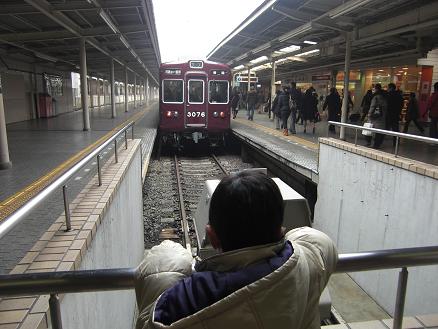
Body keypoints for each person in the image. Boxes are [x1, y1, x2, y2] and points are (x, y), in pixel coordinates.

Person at [135, 171, 338, 329]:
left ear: (212, 237)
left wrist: (163, 268)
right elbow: (316, 239)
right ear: (281, 230)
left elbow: (148, 321)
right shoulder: (307, 262)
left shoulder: (184, 302)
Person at [367, 83, 388, 149]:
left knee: (372, 131)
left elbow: (372, 107)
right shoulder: (385, 97)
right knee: (380, 131)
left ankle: (373, 144)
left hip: (375, 117)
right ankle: (377, 144)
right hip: (382, 116)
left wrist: (369, 115)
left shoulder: (375, 97)